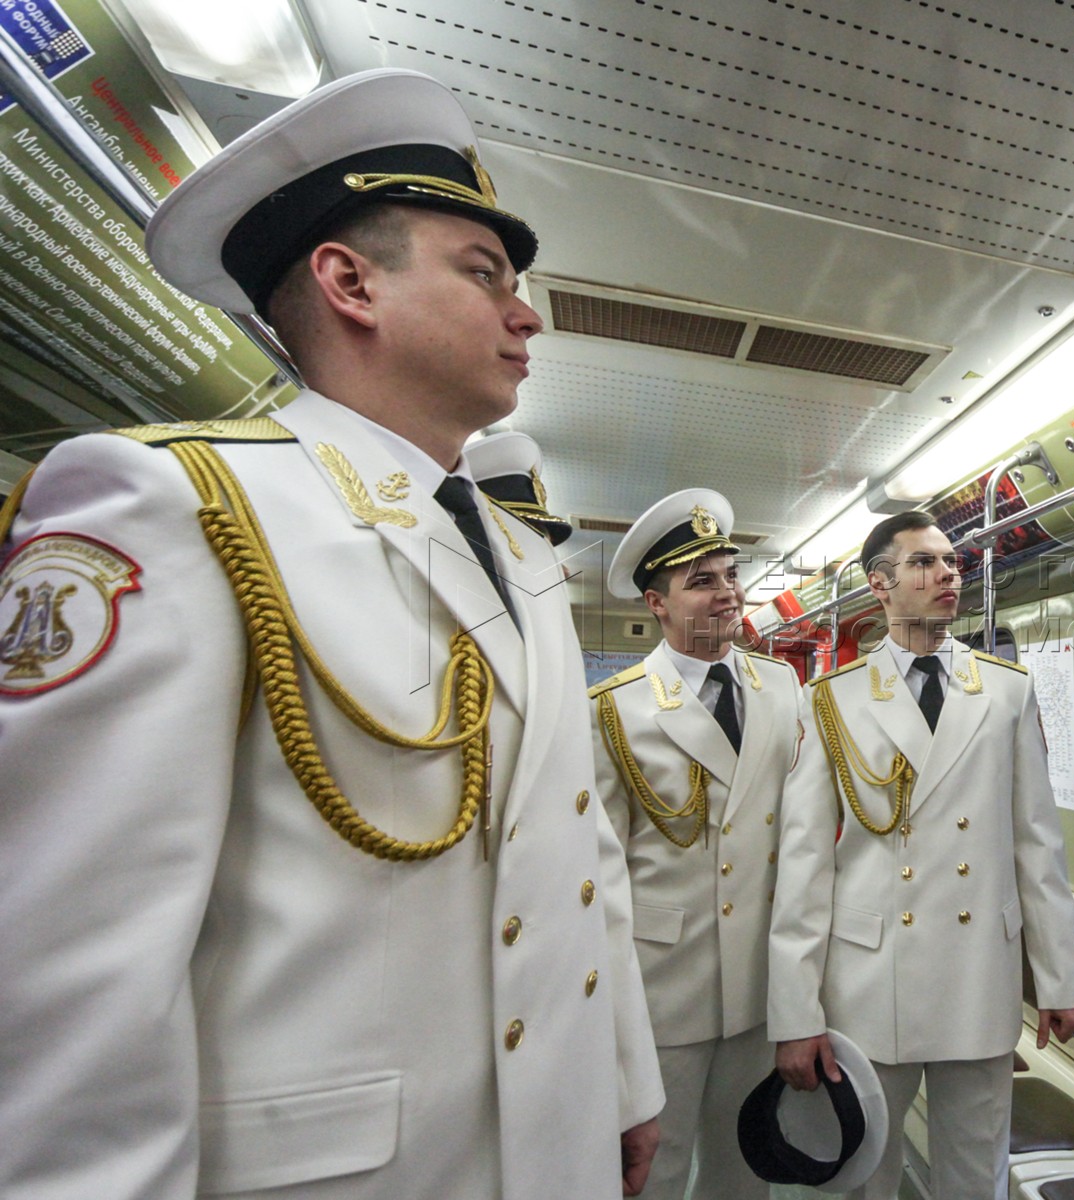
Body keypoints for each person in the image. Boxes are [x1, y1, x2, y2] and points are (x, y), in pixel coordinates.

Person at [0, 69, 663, 1197]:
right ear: (350, 282)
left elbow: (578, 848)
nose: (525, 311)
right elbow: (73, 969)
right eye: (483, 272)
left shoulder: (525, 560)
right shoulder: (180, 507)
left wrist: (624, 1084)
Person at [769, 511, 1074, 1200]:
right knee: (862, 1174)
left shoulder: (1006, 689)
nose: (948, 573)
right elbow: (803, 867)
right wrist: (794, 1015)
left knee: (978, 1177)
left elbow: (1037, 844)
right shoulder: (830, 701)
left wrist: (1063, 980)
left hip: (980, 974)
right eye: (923, 562)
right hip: (868, 978)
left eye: (951, 562)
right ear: (878, 584)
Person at [589, 490, 805, 1200]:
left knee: (747, 1164)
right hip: (663, 982)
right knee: (657, 1166)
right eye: (701, 581)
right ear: (656, 602)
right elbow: (601, 869)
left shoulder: (782, 687)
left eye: (731, 575)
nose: (726, 594)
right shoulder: (616, 709)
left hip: (759, 982)